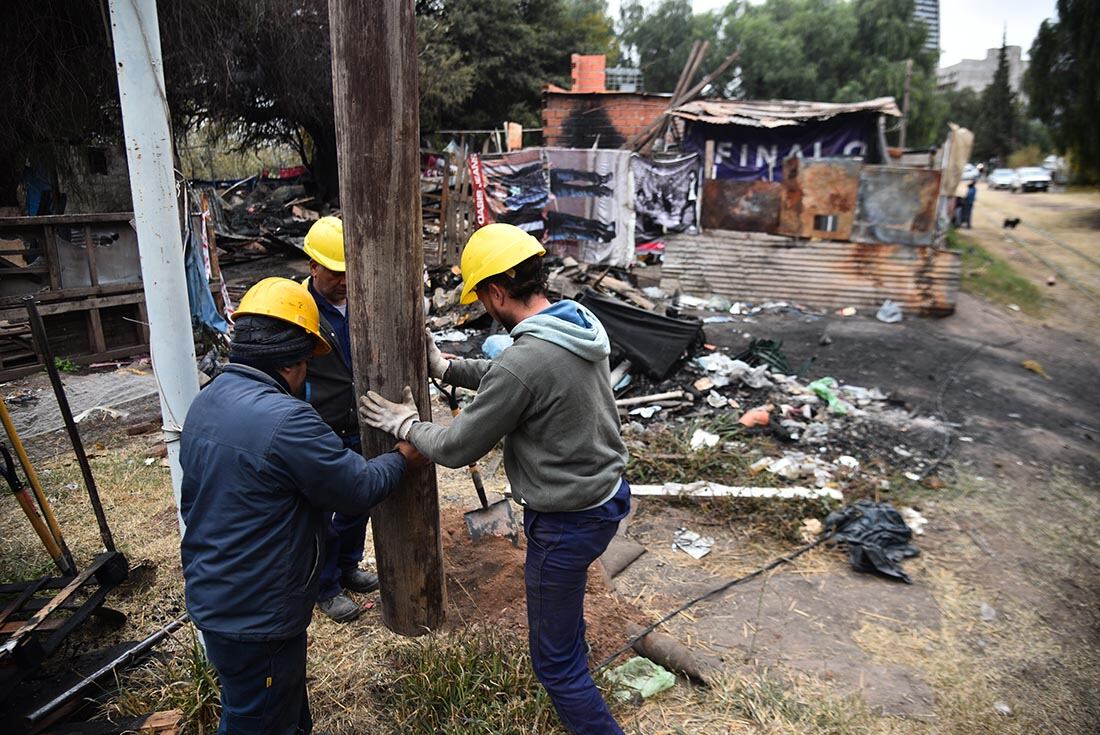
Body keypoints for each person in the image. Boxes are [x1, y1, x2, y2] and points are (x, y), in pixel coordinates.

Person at [359, 223, 630, 735]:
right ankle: (574, 644)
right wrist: (446, 367)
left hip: (567, 521)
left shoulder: (528, 359)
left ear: (498, 292)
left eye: (482, 297)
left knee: (554, 667)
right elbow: (517, 377)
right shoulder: (574, 325)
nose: (484, 307)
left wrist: (407, 425)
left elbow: (459, 446)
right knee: (564, 613)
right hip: (607, 498)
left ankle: (580, 686)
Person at [180, 277, 424, 735]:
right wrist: (403, 457)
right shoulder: (288, 420)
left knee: (275, 707)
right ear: (294, 363)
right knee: (256, 721)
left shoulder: (207, 400)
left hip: (221, 595)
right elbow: (355, 489)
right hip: (257, 614)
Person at [300, 216, 377, 622]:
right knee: (321, 514)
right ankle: (325, 586)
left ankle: (348, 565)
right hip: (321, 426)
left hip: (359, 422)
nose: (345, 280)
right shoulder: (300, 310)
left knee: (357, 503)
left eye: (350, 272)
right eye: (335, 272)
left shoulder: (363, 304)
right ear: (313, 266)